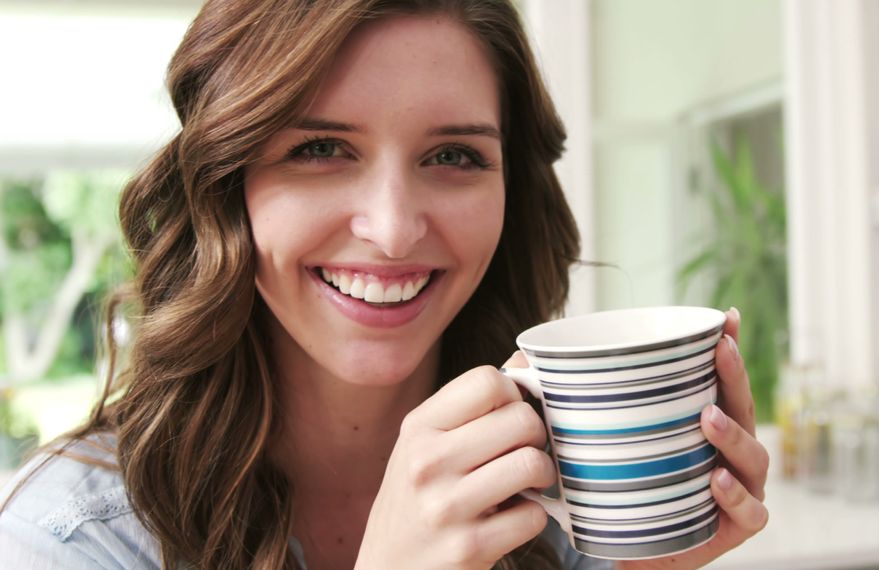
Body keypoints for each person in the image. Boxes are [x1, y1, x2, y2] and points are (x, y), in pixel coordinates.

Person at [0, 0, 769, 568]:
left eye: (454, 157)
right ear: (225, 185)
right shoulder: (69, 541)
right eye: (322, 147)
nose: (395, 229)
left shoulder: (571, 506)